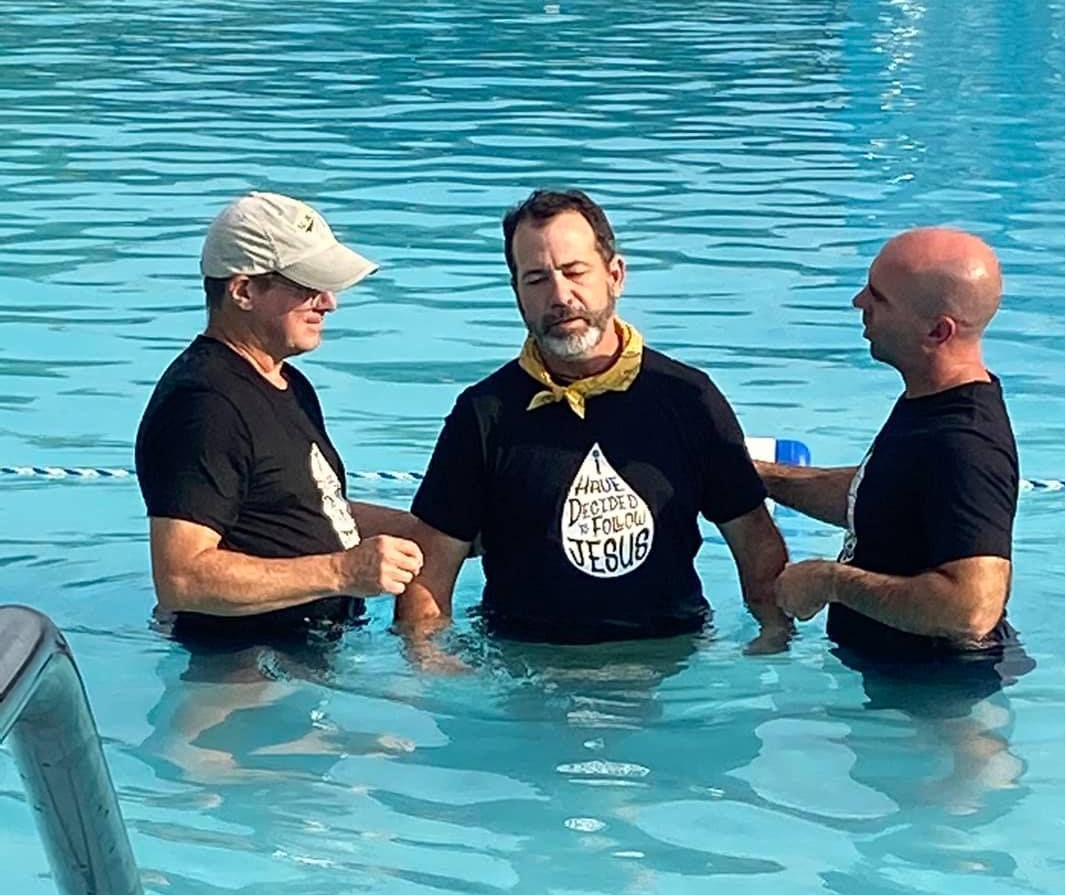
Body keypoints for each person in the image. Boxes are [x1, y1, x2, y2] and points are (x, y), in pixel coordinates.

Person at [394, 189, 789, 647]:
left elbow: (752, 538)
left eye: (574, 271)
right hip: (525, 661)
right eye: (536, 279)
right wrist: (427, 657)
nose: (560, 296)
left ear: (615, 275)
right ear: (517, 293)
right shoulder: (484, 413)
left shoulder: (689, 399)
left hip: (670, 656)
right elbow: (431, 567)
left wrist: (773, 637)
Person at [137, 190, 423, 647]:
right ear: (243, 290)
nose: (329, 303)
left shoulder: (285, 382)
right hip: (241, 664)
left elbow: (303, 510)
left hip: (311, 645)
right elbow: (182, 578)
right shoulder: (203, 404)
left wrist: (428, 531)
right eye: (307, 285)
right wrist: (343, 571)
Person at [755, 227, 1021, 692]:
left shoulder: (966, 444)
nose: (859, 302)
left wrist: (830, 581)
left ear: (938, 331)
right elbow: (882, 498)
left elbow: (971, 609)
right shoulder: (932, 404)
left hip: (937, 700)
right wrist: (762, 477)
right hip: (898, 683)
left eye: (879, 297)